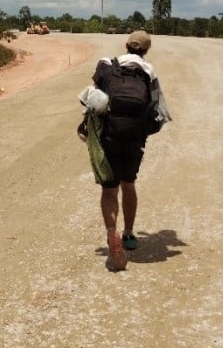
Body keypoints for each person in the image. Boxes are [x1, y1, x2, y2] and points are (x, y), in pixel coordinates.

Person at [88, 30, 170, 271]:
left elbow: (93, 100)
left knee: (109, 190)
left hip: (109, 136)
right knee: (128, 184)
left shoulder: (105, 65)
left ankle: (111, 231)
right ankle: (129, 234)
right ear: (146, 50)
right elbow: (156, 108)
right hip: (134, 137)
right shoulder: (148, 70)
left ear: (126, 45)